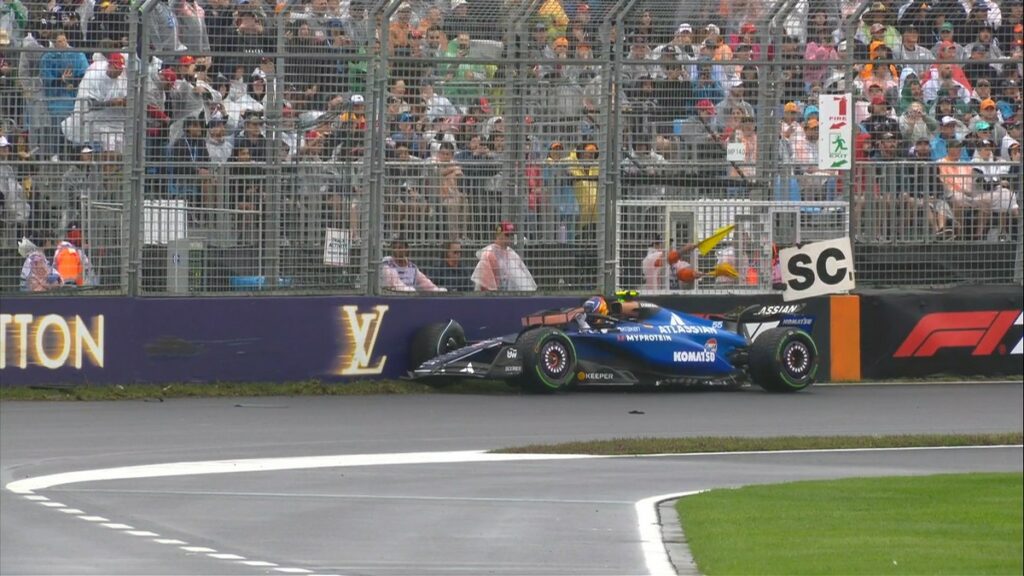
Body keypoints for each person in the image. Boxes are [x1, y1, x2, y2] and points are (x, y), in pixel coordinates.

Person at [471, 221, 537, 291]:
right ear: (499, 234)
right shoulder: (489, 254)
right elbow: (484, 285)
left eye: (511, 235)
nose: (510, 238)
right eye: (507, 235)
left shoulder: (511, 254)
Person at [379, 235, 445, 292]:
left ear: (406, 249)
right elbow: (395, 283)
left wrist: (436, 290)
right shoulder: (387, 265)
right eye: (394, 248)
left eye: (400, 247)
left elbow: (425, 282)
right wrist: (406, 290)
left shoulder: (412, 267)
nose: (397, 250)